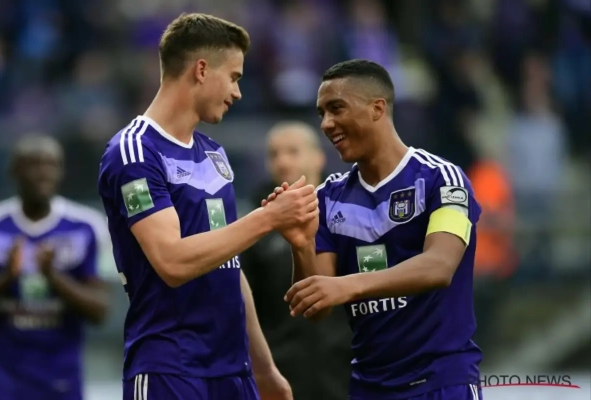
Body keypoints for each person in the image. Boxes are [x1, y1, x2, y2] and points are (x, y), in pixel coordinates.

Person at [97, 13, 317, 400]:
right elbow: (172, 262)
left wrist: (263, 368)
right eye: (234, 77)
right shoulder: (134, 152)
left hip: (233, 370)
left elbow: (231, 267)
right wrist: (268, 218)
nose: (238, 92)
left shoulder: (214, 155)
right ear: (201, 70)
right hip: (171, 369)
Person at [264, 60, 484, 400]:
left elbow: (439, 266)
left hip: (440, 382)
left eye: (336, 108)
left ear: (377, 109)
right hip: (369, 387)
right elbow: (317, 309)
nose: (326, 124)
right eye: (322, 113)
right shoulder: (327, 198)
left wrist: (347, 286)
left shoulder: (441, 179)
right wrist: (301, 244)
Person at [0, 135, 109, 400]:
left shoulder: (86, 226)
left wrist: (53, 276)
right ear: (14, 171)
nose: (44, 173)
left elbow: (100, 311)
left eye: (52, 165)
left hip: (61, 377)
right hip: (3, 376)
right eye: (34, 165)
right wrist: (7, 276)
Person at [241, 121, 351, 400]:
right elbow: (245, 305)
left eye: (292, 151)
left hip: (346, 371)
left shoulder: (350, 213)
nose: (282, 161)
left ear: (319, 157)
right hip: (283, 374)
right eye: (274, 154)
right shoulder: (255, 226)